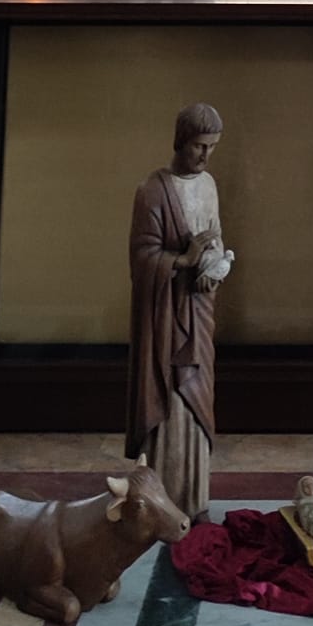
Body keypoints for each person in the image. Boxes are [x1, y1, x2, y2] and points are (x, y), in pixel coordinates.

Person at [126, 102, 233, 521]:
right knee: (171, 397)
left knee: (198, 394)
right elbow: (141, 257)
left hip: (198, 309)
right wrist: (184, 261)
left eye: (212, 147)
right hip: (166, 315)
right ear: (179, 141)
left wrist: (213, 267)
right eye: (198, 146)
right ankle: (163, 498)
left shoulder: (208, 184)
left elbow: (215, 236)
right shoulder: (152, 191)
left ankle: (195, 496)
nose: (205, 156)